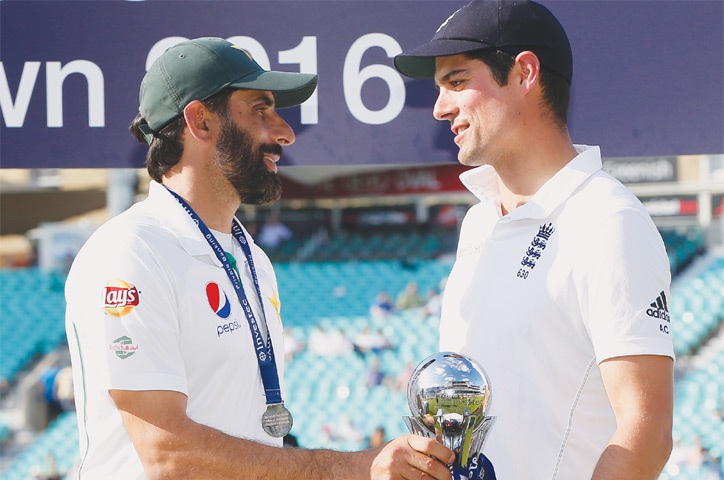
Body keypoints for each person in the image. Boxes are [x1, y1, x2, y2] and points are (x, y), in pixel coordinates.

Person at [65, 37, 454, 479]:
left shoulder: (252, 258)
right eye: (260, 110)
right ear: (200, 121)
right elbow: (169, 456)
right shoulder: (132, 250)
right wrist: (356, 467)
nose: (285, 131)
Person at [394, 2, 675, 479]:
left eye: (457, 82)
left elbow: (645, 433)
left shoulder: (608, 218)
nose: (440, 107)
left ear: (525, 73)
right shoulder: (479, 223)